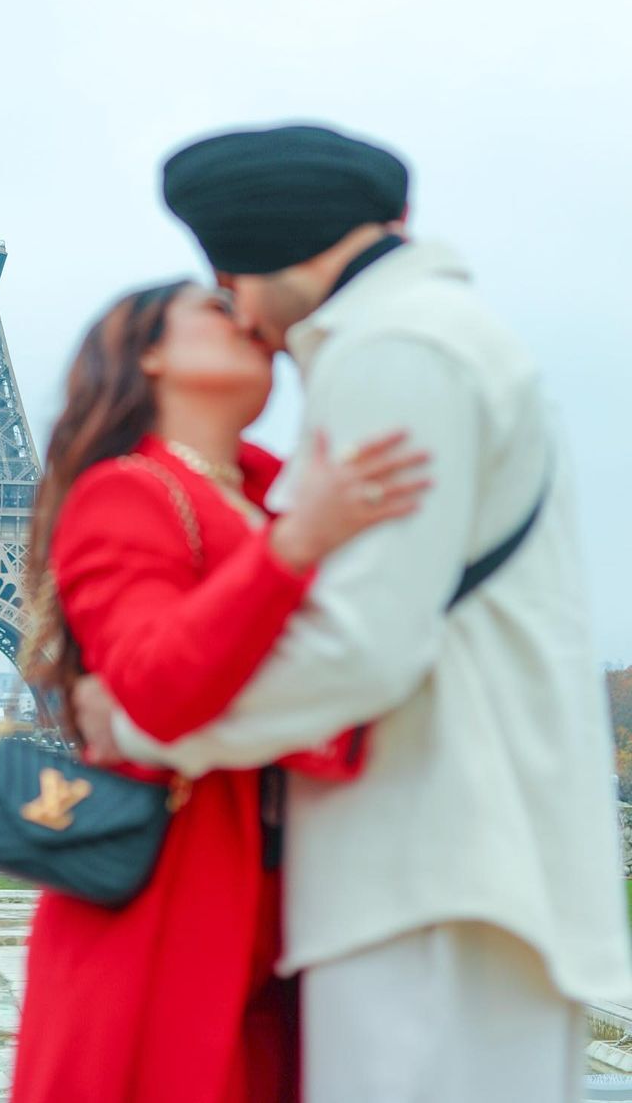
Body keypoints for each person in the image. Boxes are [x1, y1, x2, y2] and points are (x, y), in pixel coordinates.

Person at [74, 124, 632, 1103]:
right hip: (449, 870)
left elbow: (357, 648)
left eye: (226, 275)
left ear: (264, 244)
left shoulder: (393, 351)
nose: (242, 312)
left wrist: (135, 725)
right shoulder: (435, 338)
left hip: (428, 871)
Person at [10, 280, 429, 1103]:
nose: (247, 319)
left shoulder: (279, 494)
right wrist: (300, 540)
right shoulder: (127, 490)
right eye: (213, 308)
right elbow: (158, 689)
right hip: (170, 902)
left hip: (275, 898)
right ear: (150, 354)